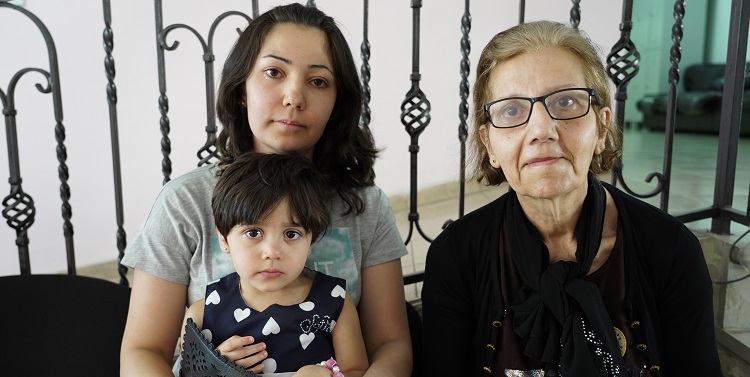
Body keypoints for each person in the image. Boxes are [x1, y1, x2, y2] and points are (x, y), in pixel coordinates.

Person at [120, 4, 412, 376]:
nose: (294, 96)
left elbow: (391, 345)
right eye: (274, 72)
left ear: (337, 103)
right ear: (242, 88)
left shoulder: (365, 207)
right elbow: (143, 351)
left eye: (318, 81)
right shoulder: (184, 204)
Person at [421, 20, 723, 377]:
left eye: (566, 102)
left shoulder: (670, 250)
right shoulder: (456, 258)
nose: (541, 130)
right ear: (490, 145)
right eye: (512, 110)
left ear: (601, 128)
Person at [180, 152, 368, 376]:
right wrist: (214, 367)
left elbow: (357, 370)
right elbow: (187, 373)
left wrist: (328, 374)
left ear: (310, 241)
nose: (272, 252)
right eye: (253, 232)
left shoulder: (334, 301)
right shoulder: (203, 313)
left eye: (291, 234)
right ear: (224, 238)